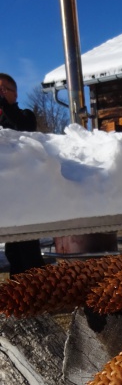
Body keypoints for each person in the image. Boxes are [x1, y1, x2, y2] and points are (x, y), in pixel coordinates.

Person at [0, 73, 46, 276]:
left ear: (15, 93)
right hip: (5, 193)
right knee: (12, 248)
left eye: (2, 89)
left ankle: (35, 288)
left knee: (25, 246)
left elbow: (22, 128)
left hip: (23, 192)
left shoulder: (26, 115)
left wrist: (5, 108)